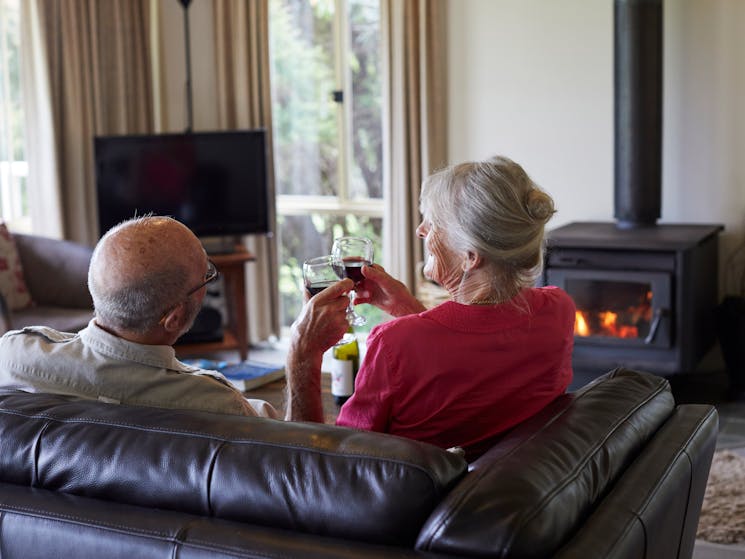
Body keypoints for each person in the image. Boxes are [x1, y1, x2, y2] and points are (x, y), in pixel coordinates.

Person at [286, 155, 575, 460]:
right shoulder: (558, 311)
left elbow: (330, 469)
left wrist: (302, 352)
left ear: (469, 257)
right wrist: (412, 310)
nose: (421, 230)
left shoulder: (394, 345)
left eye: (434, 222)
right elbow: (471, 355)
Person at [0, 215, 278, 418]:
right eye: (206, 276)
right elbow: (299, 453)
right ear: (174, 318)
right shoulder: (218, 403)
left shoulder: (14, 356)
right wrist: (302, 355)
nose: (207, 283)